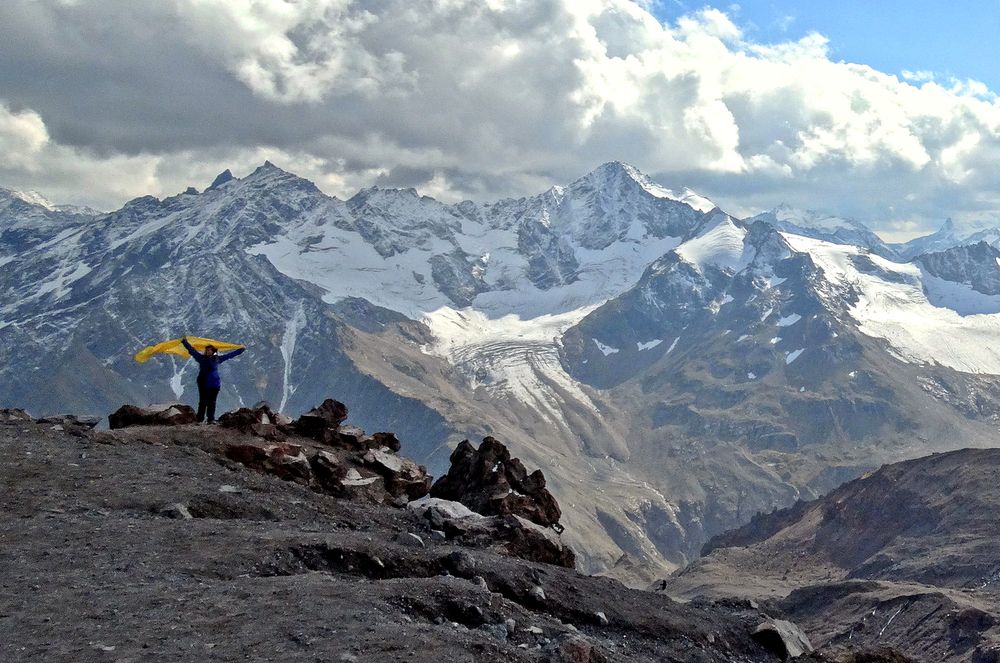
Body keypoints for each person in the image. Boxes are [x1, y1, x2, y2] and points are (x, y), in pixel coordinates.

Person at [180, 336, 245, 424]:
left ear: (213, 351)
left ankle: (210, 419)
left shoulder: (217, 359)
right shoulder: (201, 358)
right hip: (203, 383)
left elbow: (230, 355)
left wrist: (241, 350)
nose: (207, 351)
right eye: (206, 350)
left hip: (215, 384)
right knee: (203, 401)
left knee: (212, 402)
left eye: (209, 350)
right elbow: (192, 351)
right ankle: (200, 419)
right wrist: (185, 342)